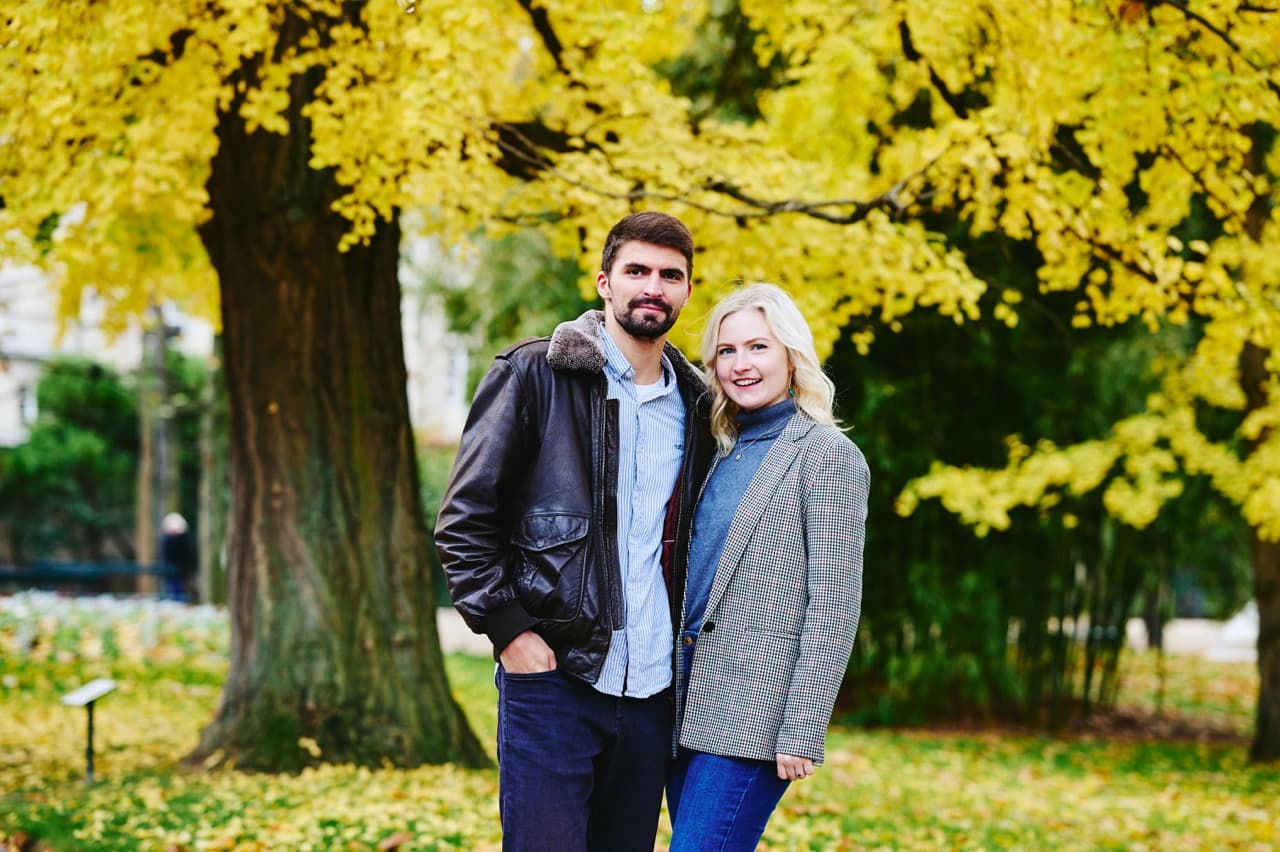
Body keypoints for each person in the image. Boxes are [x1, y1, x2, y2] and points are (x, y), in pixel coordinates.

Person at [434, 212, 713, 852]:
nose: (654, 286)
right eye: (636, 270)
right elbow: (465, 519)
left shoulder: (698, 407)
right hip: (555, 678)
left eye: (671, 276)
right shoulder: (535, 374)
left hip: (651, 694)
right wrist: (511, 632)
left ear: (687, 293)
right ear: (604, 283)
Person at [667, 283, 869, 851]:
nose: (741, 365)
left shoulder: (826, 455)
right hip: (686, 701)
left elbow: (834, 601)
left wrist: (804, 723)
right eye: (726, 352)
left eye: (757, 347)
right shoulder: (718, 449)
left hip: (756, 712)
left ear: (791, 355)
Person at [160, 512, 197, 602]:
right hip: (171, 570)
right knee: (172, 589)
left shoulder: (184, 540)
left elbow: (188, 555)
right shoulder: (168, 540)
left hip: (182, 571)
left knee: (180, 590)